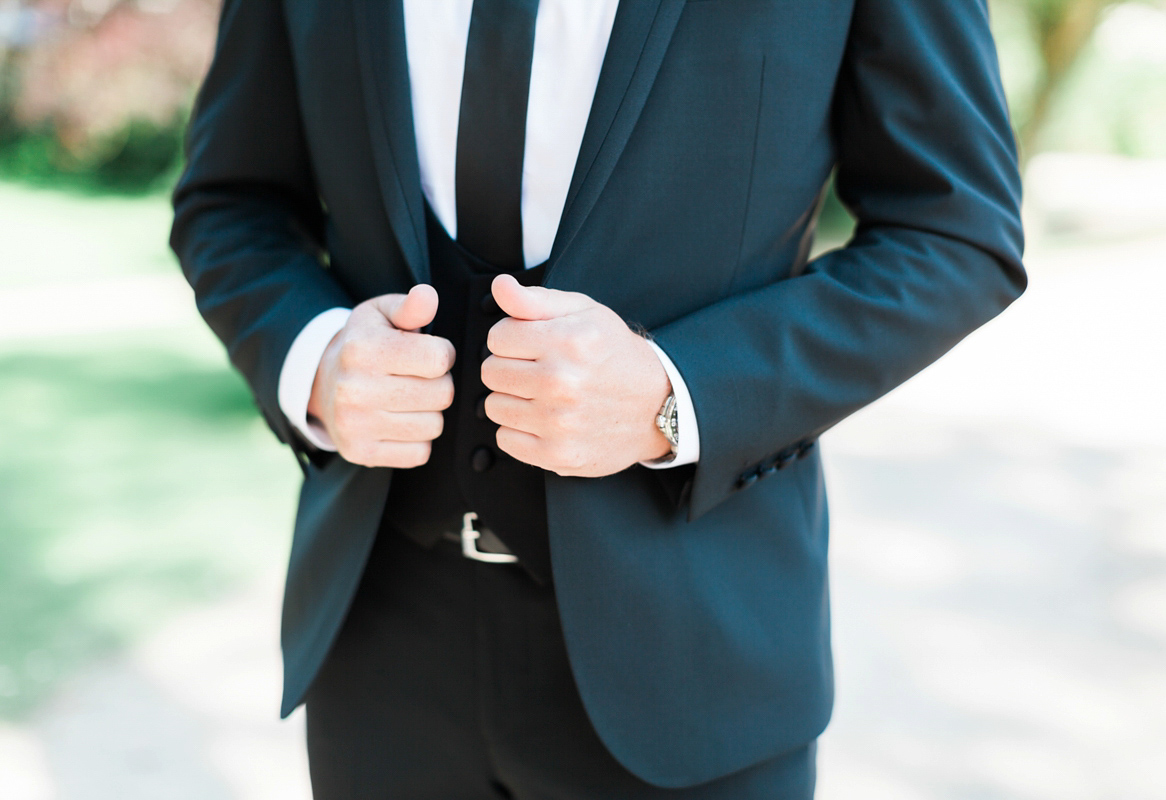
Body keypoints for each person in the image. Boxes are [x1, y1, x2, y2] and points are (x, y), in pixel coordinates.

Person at [171, 0, 1025, 796]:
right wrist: (315, 359)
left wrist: (675, 391)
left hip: (694, 665)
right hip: (376, 647)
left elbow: (954, 231)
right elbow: (231, 201)